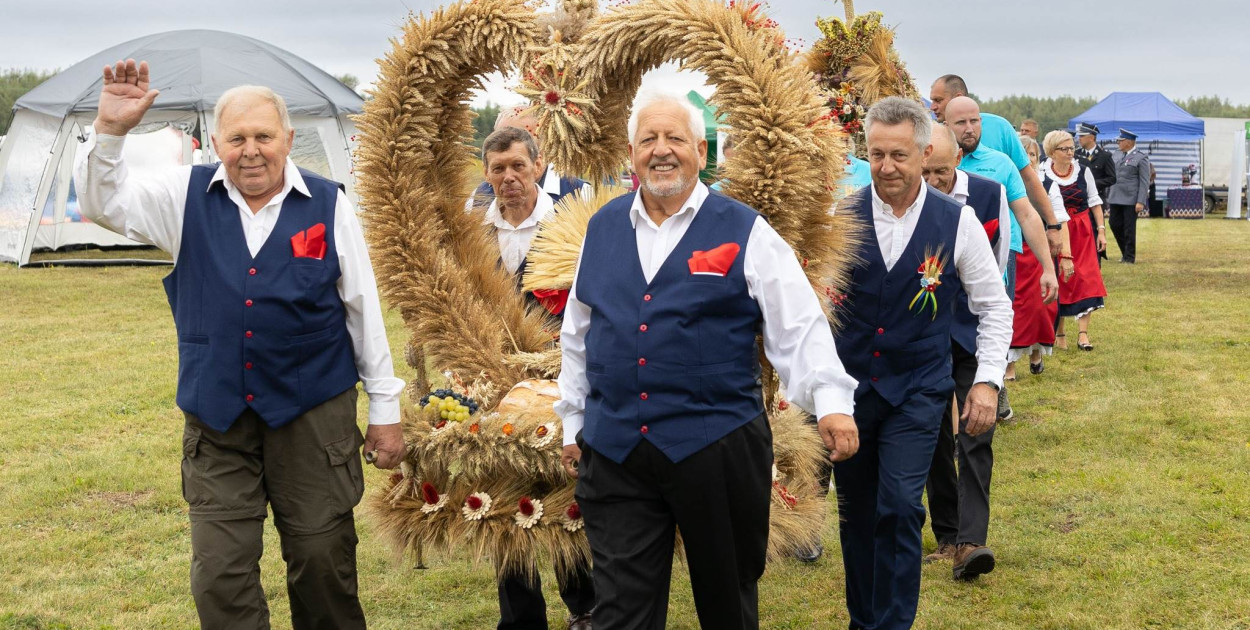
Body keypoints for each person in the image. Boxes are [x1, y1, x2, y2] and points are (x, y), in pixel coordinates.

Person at [74, 59, 405, 629]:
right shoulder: (185, 196)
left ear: (288, 140)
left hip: (312, 411)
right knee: (220, 574)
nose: (250, 151)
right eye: (236, 138)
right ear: (215, 142)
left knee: (322, 560)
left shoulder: (328, 203)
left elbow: (363, 310)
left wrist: (385, 410)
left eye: (263, 137)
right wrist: (111, 131)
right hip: (217, 417)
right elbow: (105, 203)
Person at [555, 90, 860, 630]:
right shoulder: (600, 229)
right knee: (621, 610)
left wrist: (832, 402)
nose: (661, 150)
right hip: (617, 448)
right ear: (632, 154)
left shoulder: (745, 229)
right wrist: (572, 422)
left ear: (701, 149)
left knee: (726, 603)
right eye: (648, 139)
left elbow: (798, 324)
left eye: (674, 138)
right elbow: (579, 333)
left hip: (715, 446)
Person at [834, 97, 1013, 629]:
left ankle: (892, 623)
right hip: (852, 393)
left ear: (923, 153)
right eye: (876, 155)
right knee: (858, 513)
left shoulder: (957, 223)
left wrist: (986, 382)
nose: (886, 168)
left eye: (898, 156)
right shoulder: (839, 218)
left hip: (918, 390)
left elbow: (994, 306)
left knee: (899, 507)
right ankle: (863, 620)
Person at [477, 125, 596, 630]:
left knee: (564, 493)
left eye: (518, 167)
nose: (509, 178)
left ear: (540, 165)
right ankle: (521, 619)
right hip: (495, 381)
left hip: (560, 378)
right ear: (487, 173)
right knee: (506, 498)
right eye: (498, 169)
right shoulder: (475, 226)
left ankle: (586, 606)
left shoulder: (570, 218)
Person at [919, 124, 1013, 580]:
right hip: (926, 333)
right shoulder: (909, 201)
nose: (933, 180)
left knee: (976, 429)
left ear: (957, 160)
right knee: (935, 431)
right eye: (927, 171)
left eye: (941, 170)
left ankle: (972, 542)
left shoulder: (990, 196)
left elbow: (994, 270)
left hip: (972, 330)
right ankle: (948, 534)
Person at [944, 95, 1059, 421]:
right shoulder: (936, 164)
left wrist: (1047, 267)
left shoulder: (1000, 163)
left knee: (989, 329)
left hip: (997, 259)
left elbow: (1026, 214)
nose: (969, 128)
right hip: (945, 263)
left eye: (975, 121)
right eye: (961, 123)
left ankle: (990, 389)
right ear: (946, 125)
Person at [930, 75, 1064, 259]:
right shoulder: (932, 135)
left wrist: (1052, 223)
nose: (933, 106)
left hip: (1000, 240)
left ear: (958, 97)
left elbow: (1028, 178)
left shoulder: (1000, 127)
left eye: (938, 100)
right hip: (947, 240)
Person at [1040, 131, 1108, 351]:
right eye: (1065, 149)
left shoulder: (1083, 171)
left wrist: (1101, 230)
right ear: (1052, 151)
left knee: (1087, 279)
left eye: (1072, 148)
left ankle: (1083, 334)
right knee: (1061, 280)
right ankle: (1059, 333)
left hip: (1082, 230)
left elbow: (1094, 201)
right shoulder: (1041, 172)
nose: (1070, 153)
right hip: (1056, 232)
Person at [1008, 134, 1071, 370]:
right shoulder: (1003, 181)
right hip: (1012, 250)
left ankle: (1036, 351)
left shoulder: (1047, 185)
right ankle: (1009, 363)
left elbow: (1060, 221)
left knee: (1038, 307)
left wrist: (1065, 255)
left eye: (1033, 154)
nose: (1029, 159)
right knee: (1011, 306)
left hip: (1037, 252)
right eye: (1024, 154)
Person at [472, 106, 591, 210]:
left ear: (544, 143)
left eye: (520, 138)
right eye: (500, 138)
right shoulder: (477, 198)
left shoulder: (581, 194)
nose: (509, 145)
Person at [1106, 128, 1150, 263]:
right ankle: (1124, 252)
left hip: (1131, 199)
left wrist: (1141, 201)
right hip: (1115, 196)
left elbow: (1144, 181)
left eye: (1121, 140)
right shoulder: (1116, 154)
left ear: (1129, 142)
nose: (1118, 142)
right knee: (1114, 224)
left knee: (1129, 229)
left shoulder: (1141, 157)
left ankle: (1129, 257)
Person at [1074, 122, 1116, 264]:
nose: (1079, 138)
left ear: (1092, 137)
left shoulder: (1105, 156)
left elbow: (1112, 178)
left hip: (1097, 198)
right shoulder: (1076, 155)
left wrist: (1092, 185)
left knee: (1097, 229)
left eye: (1082, 136)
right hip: (1079, 199)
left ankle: (1097, 257)